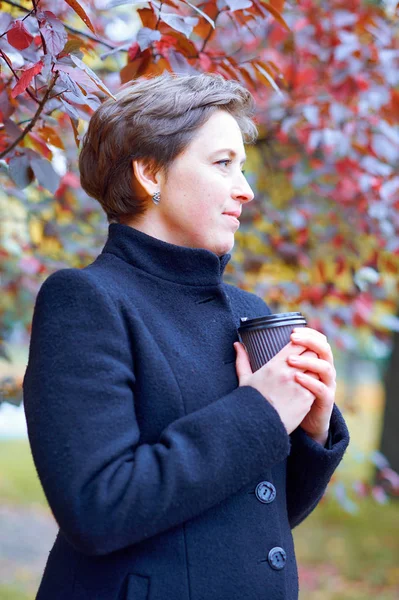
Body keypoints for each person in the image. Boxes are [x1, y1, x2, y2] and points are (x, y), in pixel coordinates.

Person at [23, 72, 350, 600]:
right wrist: (262, 412)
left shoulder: (250, 313)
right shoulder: (85, 301)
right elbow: (96, 508)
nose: (245, 189)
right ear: (150, 172)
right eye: (223, 164)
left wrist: (309, 429)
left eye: (243, 167)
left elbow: (259, 514)